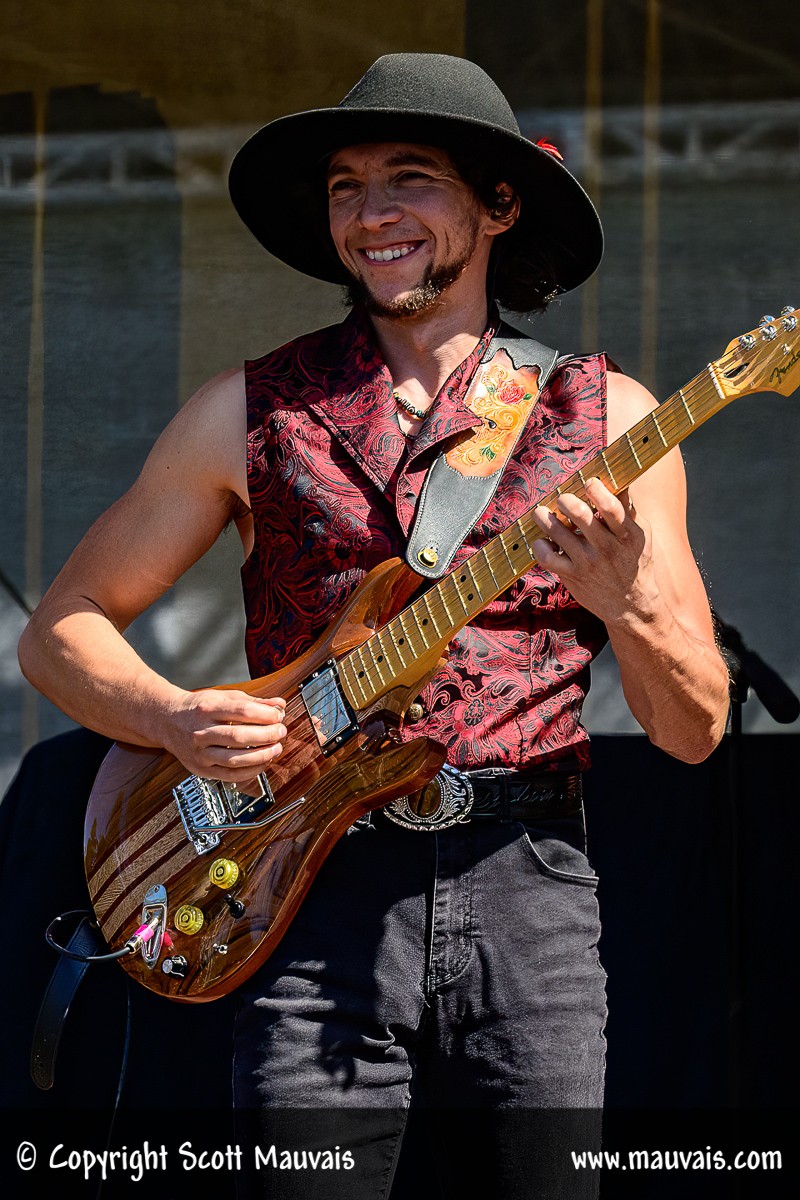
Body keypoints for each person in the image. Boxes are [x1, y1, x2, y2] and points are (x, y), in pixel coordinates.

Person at [18, 53, 729, 1199]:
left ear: (499, 206)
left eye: (410, 178)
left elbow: (692, 730)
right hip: (302, 888)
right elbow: (62, 628)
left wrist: (629, 601)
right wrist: (175, 717)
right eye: (346, 186)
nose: (371, 213)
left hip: (527, 884)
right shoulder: (249, 410)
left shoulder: (610, 418)